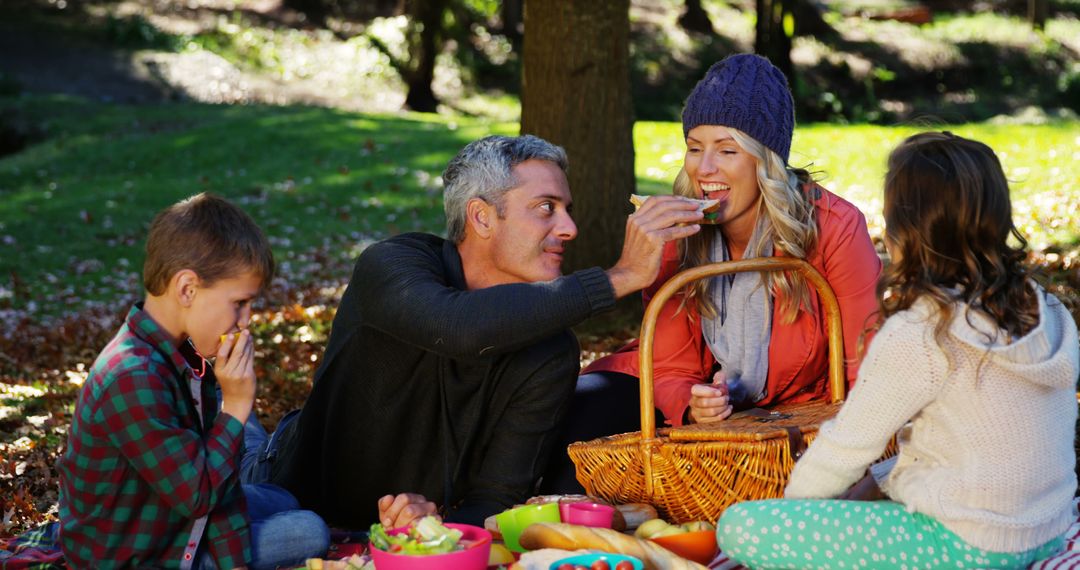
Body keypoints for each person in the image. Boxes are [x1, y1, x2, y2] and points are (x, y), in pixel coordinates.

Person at [265, 134, 705, 529]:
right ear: (481, 217)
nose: (569, 228)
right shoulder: (392, 267)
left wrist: (436, 522)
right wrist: (620, 277)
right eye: (546, 208)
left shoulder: (550, 351)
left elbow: (495, 499)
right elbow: (460, 327)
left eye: (567, 210)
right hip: (284, 491)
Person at [717, 132, 1080, 569]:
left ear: (901, 229)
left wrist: (794, 518)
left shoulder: (924, 328)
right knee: (875, 488)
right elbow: (994, 439)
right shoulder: (1045, 306)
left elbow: (846, 449)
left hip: (972, 545)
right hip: (1048, 526)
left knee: (739, 527)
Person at [540, 53, 882, 493]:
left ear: (766, 159)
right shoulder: (679, 228)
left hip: (800, 412)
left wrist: (852, 462)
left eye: (726, 150)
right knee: (577, 412)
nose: (704, 170)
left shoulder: (833, 225)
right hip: (700, 410)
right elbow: (669, 366)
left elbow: (864, 362)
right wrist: (693, 403)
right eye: (695, 147)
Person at [56, 193, 332, 569]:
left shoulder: (176, 352)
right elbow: (199, 494)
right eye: (239, 303)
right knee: (309, 531)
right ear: (187, 289)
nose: (246, 320)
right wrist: (235, 406)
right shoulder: (132, 376)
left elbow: (207, 477)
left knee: (284, 499)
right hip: (137, 552)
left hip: (174, 509)